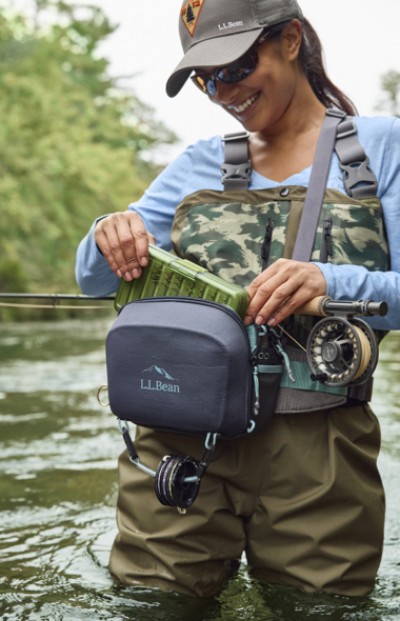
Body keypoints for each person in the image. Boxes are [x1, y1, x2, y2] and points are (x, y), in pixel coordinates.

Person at [76, 0, 400, 599]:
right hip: (176, 445)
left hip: (320, 455)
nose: (223, 90)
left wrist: (335, 283)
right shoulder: (197, 162)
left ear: (291, 40)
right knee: (153, 608)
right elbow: (94, 279)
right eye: (206, 78)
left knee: (320, 611)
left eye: (235, 65)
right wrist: (107, 230)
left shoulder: (381, 150)